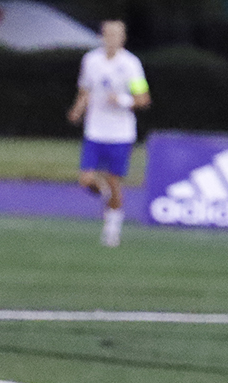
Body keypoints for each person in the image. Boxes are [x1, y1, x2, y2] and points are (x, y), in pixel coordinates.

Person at [66, 19, 150, 247]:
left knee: (114, 180)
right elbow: (85, 89)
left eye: (116, 35)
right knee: (86, 179)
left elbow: (143, 99)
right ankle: (103, 194)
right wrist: (77, 110)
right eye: (107, 34)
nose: (111, 39)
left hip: (121, 133)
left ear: (123, 38)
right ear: (101, 36)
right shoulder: (91, 60)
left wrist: (122, 100)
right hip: (95, 130)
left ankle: (112, 226)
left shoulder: (131, 64)